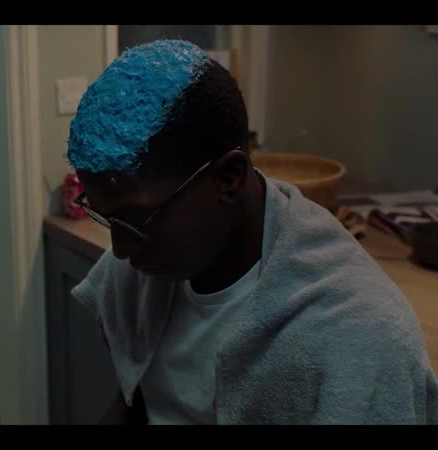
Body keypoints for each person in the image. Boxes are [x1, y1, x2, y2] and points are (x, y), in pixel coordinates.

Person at [66, 39, 438, 425]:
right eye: (108, 220)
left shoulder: (360, 337)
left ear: (228, 178)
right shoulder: (149, 272)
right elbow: (139, 403)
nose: (121, 250)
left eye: (138, 221)